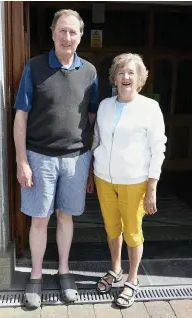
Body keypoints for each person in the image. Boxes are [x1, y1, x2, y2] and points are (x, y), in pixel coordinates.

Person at [13, 9, 98, 309]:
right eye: (62, 30)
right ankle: (35, 275)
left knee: (66, 216)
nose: (67, 37)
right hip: (40, 157)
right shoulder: (34, 68)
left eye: (73, 32)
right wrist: (22, 160)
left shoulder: (89, 71)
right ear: (52, 33)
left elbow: (92, 117)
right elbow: (21, 116)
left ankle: (63, 271)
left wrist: (91, 164)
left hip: (76, 158)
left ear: (80, 36)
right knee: (39, 219)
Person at [87, 53, 166, 308]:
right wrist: (91, 173)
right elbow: (96, 140)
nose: (126, 77)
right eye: (121, 72)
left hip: (135, 181)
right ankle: (115, 270)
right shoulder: (106, 106)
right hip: (104, 178)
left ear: (140, 78)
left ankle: (132, 280)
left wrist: (152, 186)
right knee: (112, 228)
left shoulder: (149, 107)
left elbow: (158, 147)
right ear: (114, 78)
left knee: (132, 232)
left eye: (131, 73)